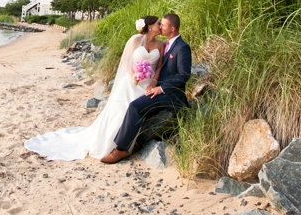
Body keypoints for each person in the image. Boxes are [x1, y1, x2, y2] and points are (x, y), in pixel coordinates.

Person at [24, 16, 164, 160]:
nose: (160, 26)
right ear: (149, 26)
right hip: (131, 82)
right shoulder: (135, 40)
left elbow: (158, 67)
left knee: (134, 109)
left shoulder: (160, 45)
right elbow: (125, 60)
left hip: (147, 86)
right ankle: (111, 145)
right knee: (120, 110)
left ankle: (123, 146)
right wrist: (134, 75)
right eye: (158, 23)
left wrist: (153, 83)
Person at [100, 13, 191, 164]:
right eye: (159, 24)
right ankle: (122, 142)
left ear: (173, 28)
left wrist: (160, 88)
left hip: (171, 94)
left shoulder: (182, 47)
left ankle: (121, 150)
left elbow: (183, 76)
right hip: (153, 87)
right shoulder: (166, 44)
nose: (161, 26)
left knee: (135, 106)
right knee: (134, 104)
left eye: (164, 25)